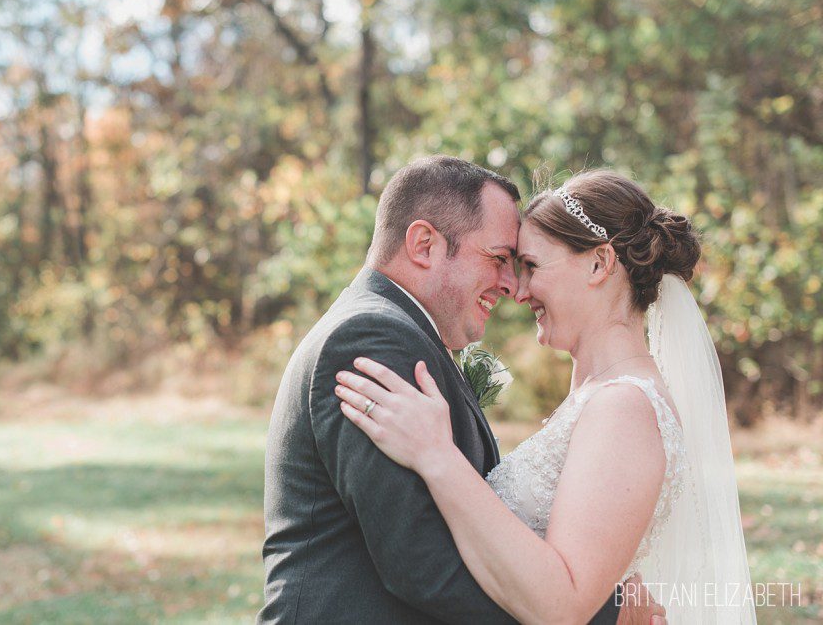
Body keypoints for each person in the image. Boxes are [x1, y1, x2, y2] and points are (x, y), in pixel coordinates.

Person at [334, 170, 756, 624]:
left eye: (532, 266)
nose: (518, 290)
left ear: (599, 264)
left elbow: (564, 604)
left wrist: (437, 456)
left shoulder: (623, 408)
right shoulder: (597, 396)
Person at [258, 157, 661, 623]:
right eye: (499, 259)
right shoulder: (369, 339)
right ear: (424, 244)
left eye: (524, 264)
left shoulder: (402, 334)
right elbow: (422, 562)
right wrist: (602, 617)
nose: (512, 285)